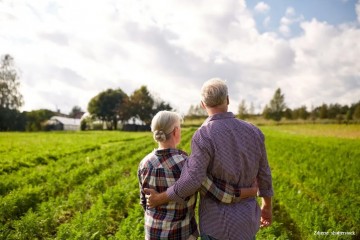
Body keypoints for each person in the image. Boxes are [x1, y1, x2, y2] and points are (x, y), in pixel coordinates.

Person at [145, 79, 274, 240]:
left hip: (216, 224)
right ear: (227, 99)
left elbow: (193, 180)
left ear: (202, 105)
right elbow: (264, 174)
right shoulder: (254, 131)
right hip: (247, 222)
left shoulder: (203, 135)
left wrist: (159, 198)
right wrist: (267, 206)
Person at [138, 110, 258, 240]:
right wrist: (250, 191)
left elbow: (144, 202)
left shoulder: (144, 163)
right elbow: (219, 192)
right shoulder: (186, 164)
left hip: (152, 233)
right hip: (180, 234)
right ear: (175, 132)